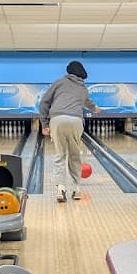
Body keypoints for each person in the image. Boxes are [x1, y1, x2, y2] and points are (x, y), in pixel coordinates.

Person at [39, 60, 97, 202]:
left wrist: (44, 124)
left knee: (60, 155)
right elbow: (87, 103)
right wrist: (95, 108)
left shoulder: (59, 82)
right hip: (76, 121)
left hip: (58, 119)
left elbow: (44, 102)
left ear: (68, 71)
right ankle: (76, 189)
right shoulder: (83, 88)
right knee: (74, 155)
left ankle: (60, 189)